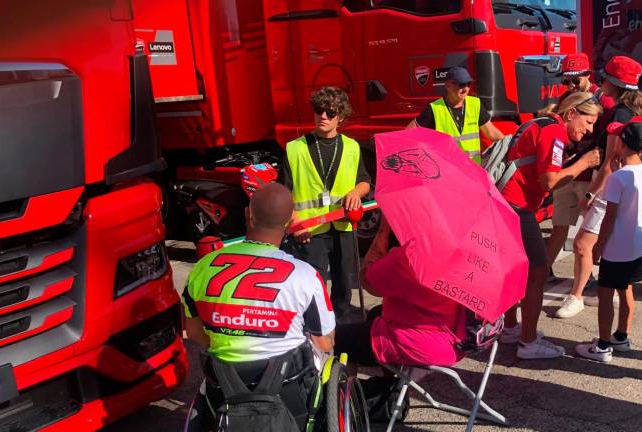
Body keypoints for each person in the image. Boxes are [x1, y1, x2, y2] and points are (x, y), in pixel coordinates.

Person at [183, 183, 336, 430]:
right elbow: (325, 342)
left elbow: (195, 333)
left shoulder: (202, 268)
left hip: (223, 389)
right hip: (290, 395)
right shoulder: (306, 276)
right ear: (288, 224)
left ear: (248, 215)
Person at [498, 92, 602, 359]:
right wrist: (583, 163)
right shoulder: (553, 131)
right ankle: (528, 342)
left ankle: (511, 328)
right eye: (588, 122)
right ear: (571, 114)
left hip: (506, 204)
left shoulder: (540, 123)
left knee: (514, 270)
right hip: (516, 206)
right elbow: (551, 182)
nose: (590, 130)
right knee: (537, 270)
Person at [555, 55, 642, 319]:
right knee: (601, 243)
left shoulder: (619, 113)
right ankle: (603, 295)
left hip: (610, 185)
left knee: (582, 245)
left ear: (613, 82)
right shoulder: (636, 109)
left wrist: (590, 193)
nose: (600, 81)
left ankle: (576, 297)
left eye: (605, 77)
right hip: (628, 182)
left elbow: (608, 162)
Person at [279, 86, 371, 318]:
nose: (323, 117)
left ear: (340, 117)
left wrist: (355, 193)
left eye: (330, 113)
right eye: (319, 111)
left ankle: (341, 324)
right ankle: (316, 329)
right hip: (309, 230)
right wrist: (294, 224)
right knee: (312, 284)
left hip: (343, 226)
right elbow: (282, 194)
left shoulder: (352, 147)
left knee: (343, 282)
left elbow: (365, 182)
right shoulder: (295, 149)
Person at [333, 217, 466, 368]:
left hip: (422, 343)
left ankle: (381, 388)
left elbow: (367, 280)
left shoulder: (411, 257)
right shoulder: (463, 253)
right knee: (376, 313)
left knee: (333, 340)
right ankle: (390, 384)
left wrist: (384, 230)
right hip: (455, 337)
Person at [576, 117, 642, 362]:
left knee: (605, 295)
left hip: (617, 247)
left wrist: (598, 249)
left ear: (623, 142)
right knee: (626, 290)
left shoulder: (617, 178)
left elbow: (609, 219)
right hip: (638, 244)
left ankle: (602, 346)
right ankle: (622, 336)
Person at [545, 52, 614, 285]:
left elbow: (606, 143)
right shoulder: (566, 101)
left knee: (591, 232)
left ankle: (593, 278)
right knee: (559, 227)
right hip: (567, 174)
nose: (571, 85)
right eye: (567, 80)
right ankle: (544, 272)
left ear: (588, 75)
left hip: (590, 177)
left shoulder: (604, 101)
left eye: (576, 79)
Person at [407, 66, 504, 163]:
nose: (465, 88)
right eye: (461, 84)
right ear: (448, 85)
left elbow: (491, 132)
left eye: (468, 84)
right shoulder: (434, 108)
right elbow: (408, 133)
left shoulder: (475, 104)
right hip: (450, 172)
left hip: (473, 170)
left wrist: (509, 145)